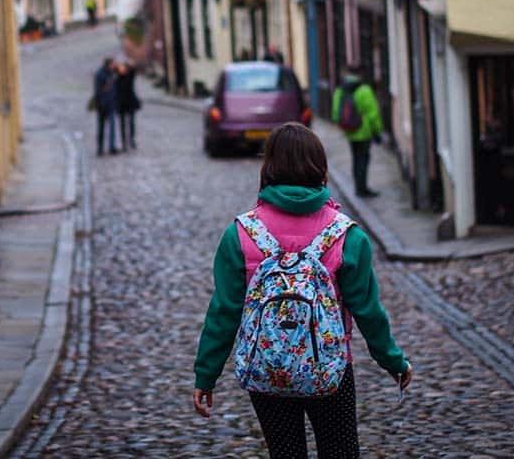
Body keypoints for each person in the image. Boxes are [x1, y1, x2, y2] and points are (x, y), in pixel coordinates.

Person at [192, 123, 411, 458]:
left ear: (269, 167)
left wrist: (206, 374)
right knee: (340, 451)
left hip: (267, 371)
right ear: (319, 168)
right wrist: (393, 361)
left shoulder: (240, 234)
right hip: (331, 372)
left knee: (286, 453)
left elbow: (224, 311)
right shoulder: (346, 235)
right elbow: (368, 311)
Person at [331, 66, 384, 198]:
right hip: (364, 132)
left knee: (355, 158)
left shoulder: (340, 90)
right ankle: (363, 188)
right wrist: (377, 131)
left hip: (350, 131)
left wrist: (343, 125)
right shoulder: (364, 90)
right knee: (363, 159)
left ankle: (358, 187)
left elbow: (336, 113)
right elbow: (373, 113)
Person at [94, 57, 118, 155]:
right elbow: (97, 91)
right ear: (108, 64)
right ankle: (100, 148)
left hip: (111, 104)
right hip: (102, 105)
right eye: (112, 64)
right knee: (101, 127)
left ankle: (112, 147)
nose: (114, 66)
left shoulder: (113, 73)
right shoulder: (100, 74)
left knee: (112, 125)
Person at [116, 60, 141, 150]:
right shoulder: (116, 78)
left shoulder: (129, 76)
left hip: (130, 103)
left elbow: (133, 71)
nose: (122, 69)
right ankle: (124, 143)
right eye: (121, 68)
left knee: (131, 123)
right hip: (121, 104)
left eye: (124, 68)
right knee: (122, 124)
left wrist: (131, 65)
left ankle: (131, 140)